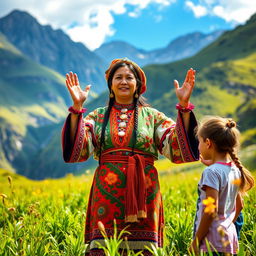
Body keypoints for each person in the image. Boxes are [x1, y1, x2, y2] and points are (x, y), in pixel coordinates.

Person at [62, 58, 199, 255]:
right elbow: (79, 150)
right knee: (105, 246)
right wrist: (77, 108)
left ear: (138, 85)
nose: (124, 82)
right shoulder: (97, 117)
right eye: (118, 77)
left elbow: (176, 147)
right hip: (106, 194)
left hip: (145, 192)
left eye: (129, 77)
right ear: (111, 85)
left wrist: (184, 106)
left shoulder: (153, 116)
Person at [190, 116, 255, 255]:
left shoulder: (211, 172)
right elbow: (240, 205)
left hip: (210, 242)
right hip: (229, 239)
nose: (198, 146)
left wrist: (196, 241)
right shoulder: (234, 169)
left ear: (208, 143)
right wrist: (226, 224)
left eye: (199, 141)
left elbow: (210, 210)